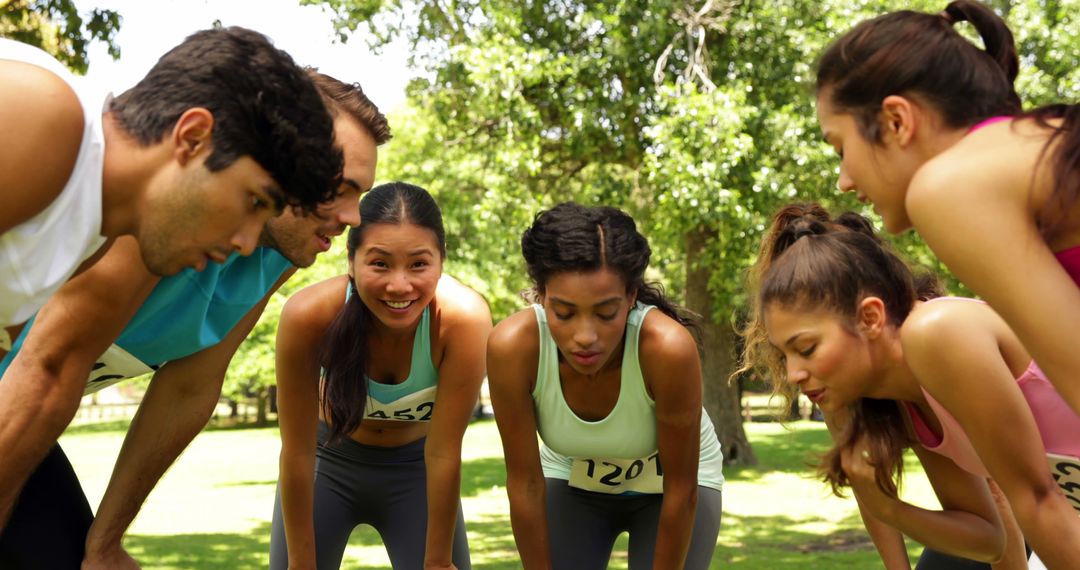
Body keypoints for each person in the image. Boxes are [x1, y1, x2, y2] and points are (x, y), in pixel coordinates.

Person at [0, 72, 387, 569]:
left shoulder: (280, 251)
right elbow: (49, 366)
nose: (354, 216)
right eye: (340, 188)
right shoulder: (163, 213)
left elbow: (190, 386)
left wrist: (104, 543)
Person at [739, 203, 1080, 569]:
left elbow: (1037, 500)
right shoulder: (907, 401)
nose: (793, 375)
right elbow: (988, 539)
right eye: (785, 355)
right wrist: (887, 507)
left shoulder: (938, 332)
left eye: (806, 349)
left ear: (870, 317)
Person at [815, 0, 1080, 415]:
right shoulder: (1030, 147)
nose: (844, 181)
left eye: (840, 147)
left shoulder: (948, 187)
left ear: (896, 121)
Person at [0, 27, 341, 338]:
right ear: (192, 138)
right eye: (254, 202)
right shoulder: (41, 113)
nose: (248, 244)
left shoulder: (93, 236)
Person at [487, 202, 724, 569]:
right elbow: (525, 483)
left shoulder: (667, 349)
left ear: (631, 297)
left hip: (669, 488)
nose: (585, 336)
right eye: (564, 313)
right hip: (571, 477)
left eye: (606, 313)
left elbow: (681, 489)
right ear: (541, 295)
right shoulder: (514, 347)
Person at [270, 182, 491, 570]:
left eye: (419, 264)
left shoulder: (463, 320)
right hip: (328, 461)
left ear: (441, 261)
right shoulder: (309, 316)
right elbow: (298, 451)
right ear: (351, 262)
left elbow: (443, 451)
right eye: (380, 263)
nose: (399, 285)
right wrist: (300, 562)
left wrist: (438, 560)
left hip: (417, 469)